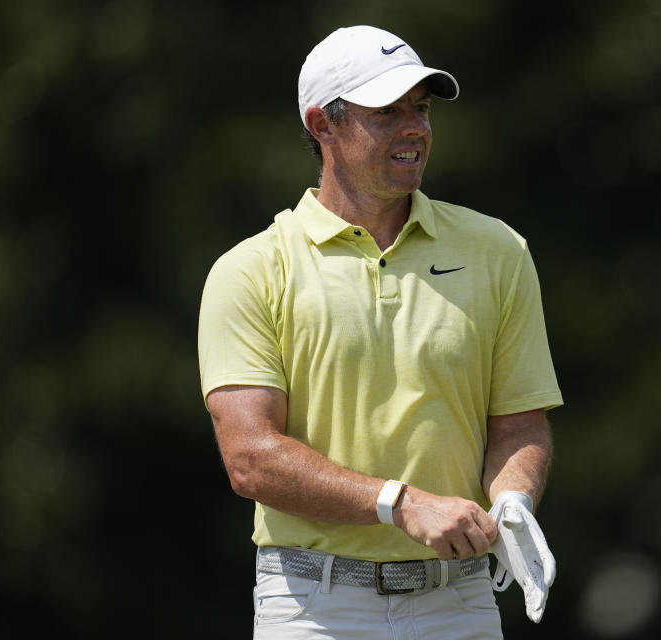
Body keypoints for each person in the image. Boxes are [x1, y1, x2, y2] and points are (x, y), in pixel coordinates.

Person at [198, 25, 562, 639]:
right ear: (322, 125)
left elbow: (520, 423)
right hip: (314, 605)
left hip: (459, 600)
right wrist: (402, 504)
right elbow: (251, 458)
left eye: (419, 109)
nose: (414, 127)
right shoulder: (253, 270)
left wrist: (513, 501)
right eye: (387, 112)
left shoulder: (497, 250)